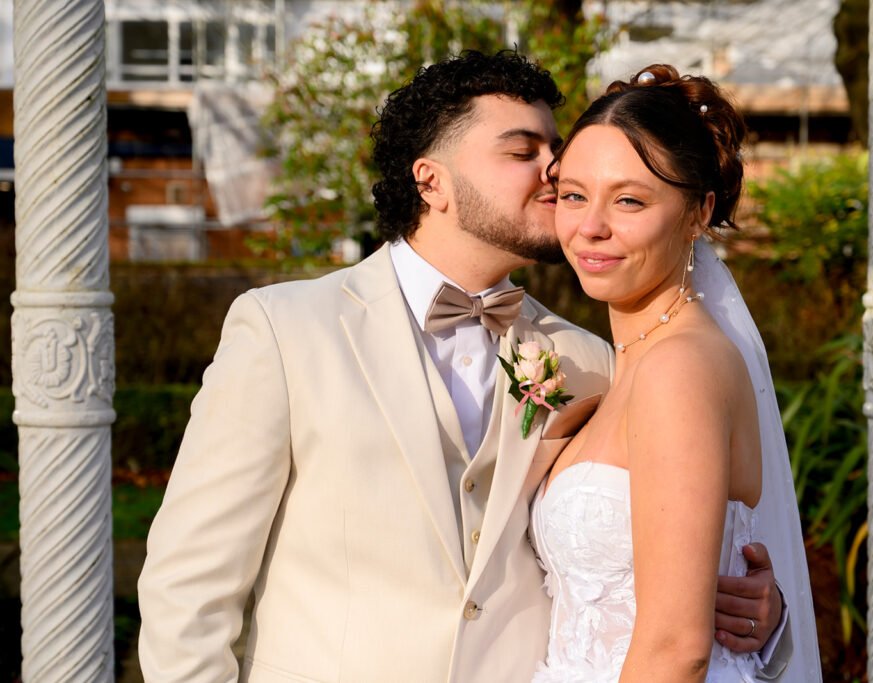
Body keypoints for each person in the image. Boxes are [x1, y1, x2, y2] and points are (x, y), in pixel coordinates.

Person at [137, 51, 789, 682]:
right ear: (432, 180)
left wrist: (769, 622)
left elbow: (649, 577)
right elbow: (188, 590)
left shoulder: (591, 363)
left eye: (554, 149)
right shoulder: (284, 331)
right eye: (522, 150)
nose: (554, 170)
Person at [529, 65, 821, 682]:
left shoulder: (679, 367)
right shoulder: (622, 365)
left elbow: (676, 648)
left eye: (629, 199)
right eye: (575, 194)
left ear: (698, 212)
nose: (591, 227)